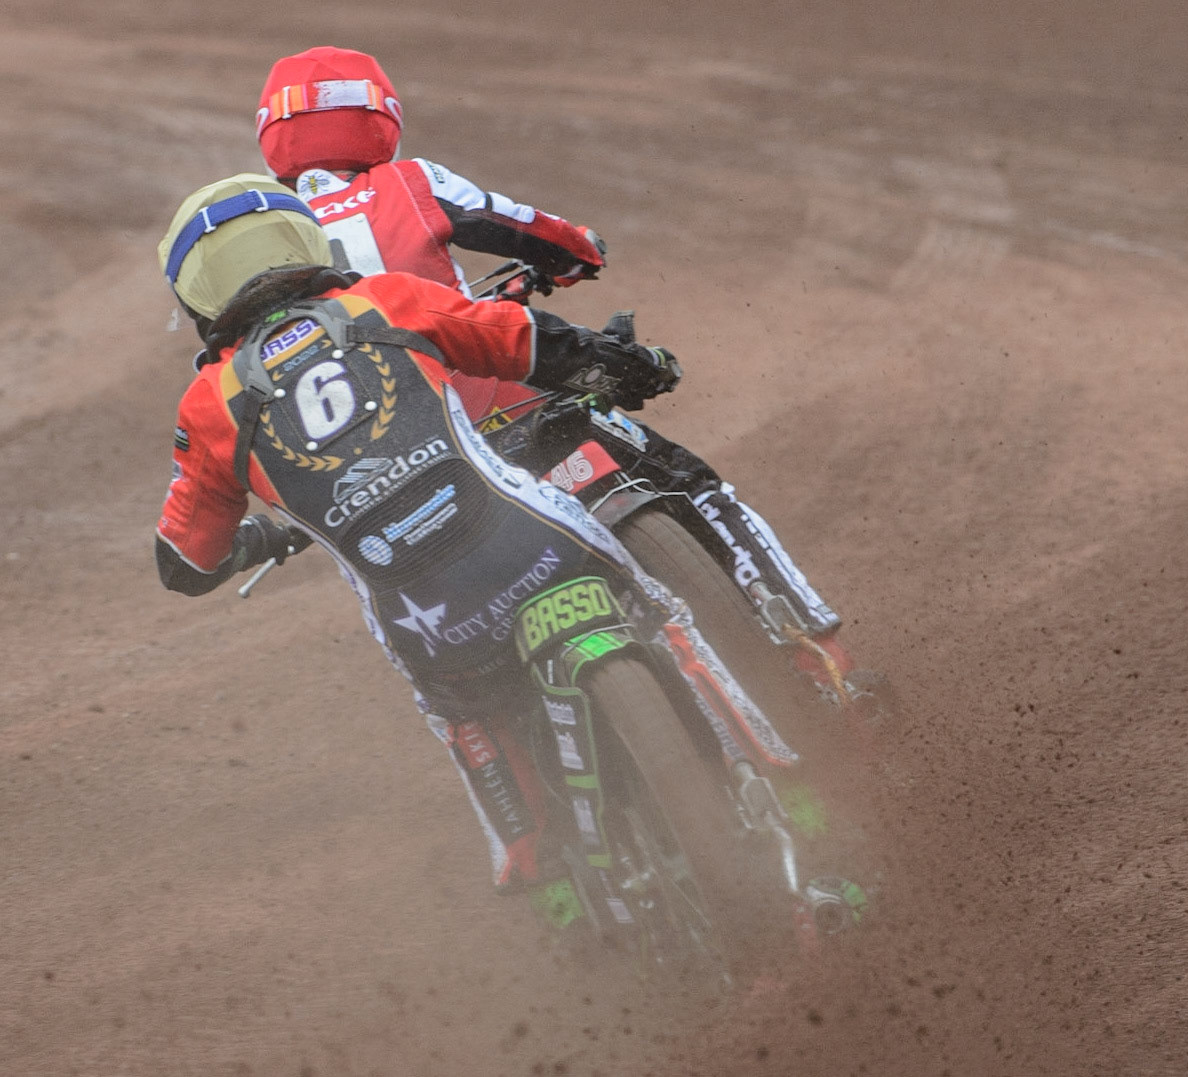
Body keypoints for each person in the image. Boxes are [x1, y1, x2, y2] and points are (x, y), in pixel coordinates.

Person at [153, 174, 787, 920]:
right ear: (301, 239)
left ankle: (533, 862)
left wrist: (253, 537)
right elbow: (527, 343)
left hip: (432, 619)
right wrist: (626, 365)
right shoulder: (381, 300)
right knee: (661, 610)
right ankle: (769, 758)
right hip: (534, 539)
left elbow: (186, 563)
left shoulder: (208, 405)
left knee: (465, 716)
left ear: (197, 297)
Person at [251, 46, 857, 695]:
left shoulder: (266, 239)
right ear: (380, 116)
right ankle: (816, 649)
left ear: (272, 133)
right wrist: (576, 254)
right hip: (506, 407)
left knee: (463, 690)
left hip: (410, 469)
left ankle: (520, 780)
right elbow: (530, 229)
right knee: (693, 487)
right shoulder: (410, 181)